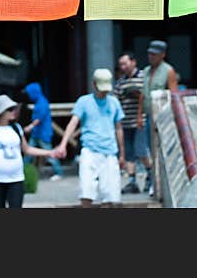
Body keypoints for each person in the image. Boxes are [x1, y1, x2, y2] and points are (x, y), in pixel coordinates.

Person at [56, 68, 125, 207]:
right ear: (94, 84)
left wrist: (122, 153)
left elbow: (118, 127)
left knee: (111, 196)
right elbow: (73, 122)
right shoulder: (84, 101)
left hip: (110, 151)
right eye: (101, 88)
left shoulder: (114, 102)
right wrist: (63, 144)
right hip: (89, 150)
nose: (104, 92)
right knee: (86, 191)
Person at [0, 94, 57, 208]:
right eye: (10, 109)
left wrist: (50, 152)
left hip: (16, 179)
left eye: (14, 108)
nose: (14, 111)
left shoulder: (16, 128)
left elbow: (27, 149)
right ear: (1, 111)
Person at [137, 40, 178, 198]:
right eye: (149, 53)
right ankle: (153, 182)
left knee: (160, 152)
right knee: (148, 151)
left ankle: (158, 184)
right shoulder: (146, 71)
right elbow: (142, 94)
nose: (150, 56)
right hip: (148, 116)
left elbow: (173, 95)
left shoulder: (168, 71)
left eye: (154, 54)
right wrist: (139, 114)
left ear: (163, 55)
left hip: (162, 117)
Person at [114, 53, 152, 195]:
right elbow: (115, 97)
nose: (123, 67)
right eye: (121, 65)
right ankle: (132, 181)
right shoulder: (121, 81)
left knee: (141, 150)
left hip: (140, 120)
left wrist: (136, 94)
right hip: (125, 121)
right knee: (129, 153)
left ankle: (150, 174)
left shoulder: (144, 77)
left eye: (125, 63)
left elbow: (146, 95)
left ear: (133, 62)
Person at [23, 82, 63, 181]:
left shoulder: (42, 103)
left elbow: (39, 119)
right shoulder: (38, 102)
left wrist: (30, 127)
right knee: (28, 153)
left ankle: (59, 172)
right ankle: (22, 172)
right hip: (36, 133)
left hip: (43, 133)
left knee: (49, 153)